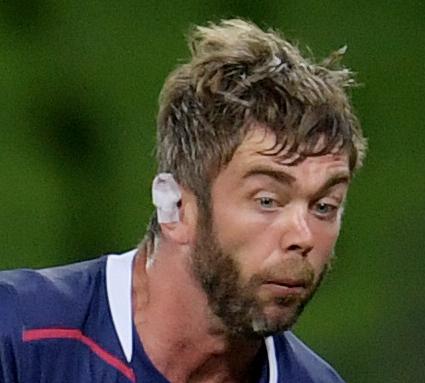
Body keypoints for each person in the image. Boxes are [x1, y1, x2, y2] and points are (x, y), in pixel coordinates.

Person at [0, 19, 366, 383]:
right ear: (175, 206)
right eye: (268, 200)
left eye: (324, 206)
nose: (302, 236)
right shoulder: (17, 335)